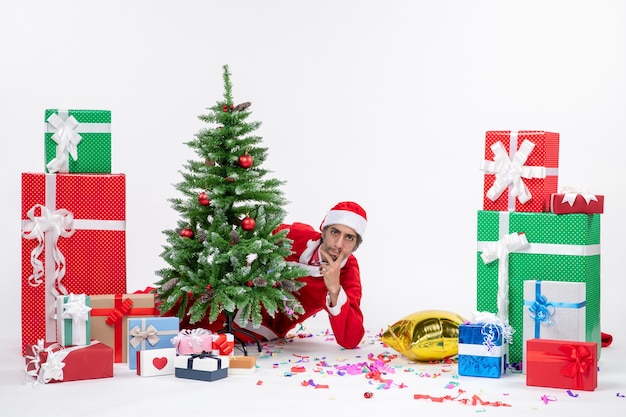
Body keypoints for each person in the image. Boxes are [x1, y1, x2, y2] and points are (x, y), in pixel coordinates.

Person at [237, 201, 368, 349]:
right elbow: (261, 229)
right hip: (233, 291)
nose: (338, 244)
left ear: (356, 245)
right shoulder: (299, 236)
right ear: (323, 232)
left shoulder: (348, 272)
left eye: (349, 237)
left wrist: (334, 289)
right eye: (335, 232)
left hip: (259, 327)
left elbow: (351, 339)